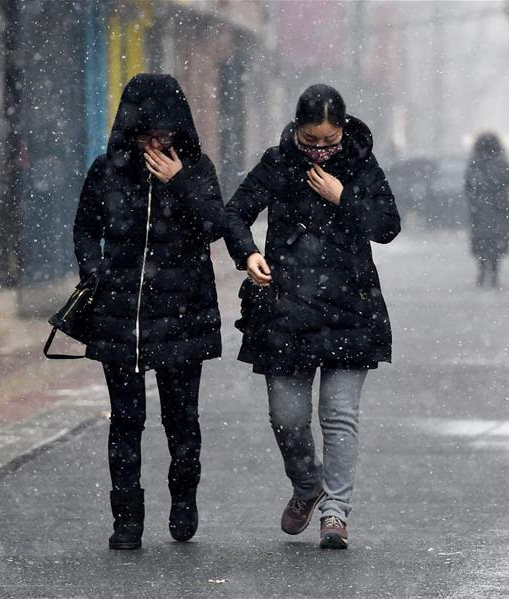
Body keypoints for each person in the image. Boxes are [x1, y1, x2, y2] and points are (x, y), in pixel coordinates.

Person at [224, 84, 400, 549]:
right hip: (286, 310)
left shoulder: (359, 162)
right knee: (287, 417)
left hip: (351, 307)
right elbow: (235, 213)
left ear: (343, 130)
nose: (321, 150)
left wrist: (345, 196)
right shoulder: (279, 162)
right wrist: (248, 256)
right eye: (311, 140)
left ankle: (335, 513)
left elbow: (387, 226)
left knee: (339, 415)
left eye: (329, 141)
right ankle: (307, 483)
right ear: (297, 131)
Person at [73, 73, 225, 550]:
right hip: (121, 314)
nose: (156, 143)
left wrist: (179, 182)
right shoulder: (107, 170)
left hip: (183, 314)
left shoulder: (197, 170)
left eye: (165, 134)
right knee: (125, 420)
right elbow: (84, 228)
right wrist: (94, 270)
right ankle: (126, 518)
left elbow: (213, 226)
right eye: (146, 134)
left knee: (181, 419)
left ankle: (183, 498)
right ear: (129, 129)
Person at [464, 133, 509, 288]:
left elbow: (468, 185)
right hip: (499, 208)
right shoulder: (501, 163)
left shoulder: (475, 163)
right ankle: (494, 272)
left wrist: (475, 198)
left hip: (479, 208)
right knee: (495, 241)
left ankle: (481, 270)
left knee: (481, 240)